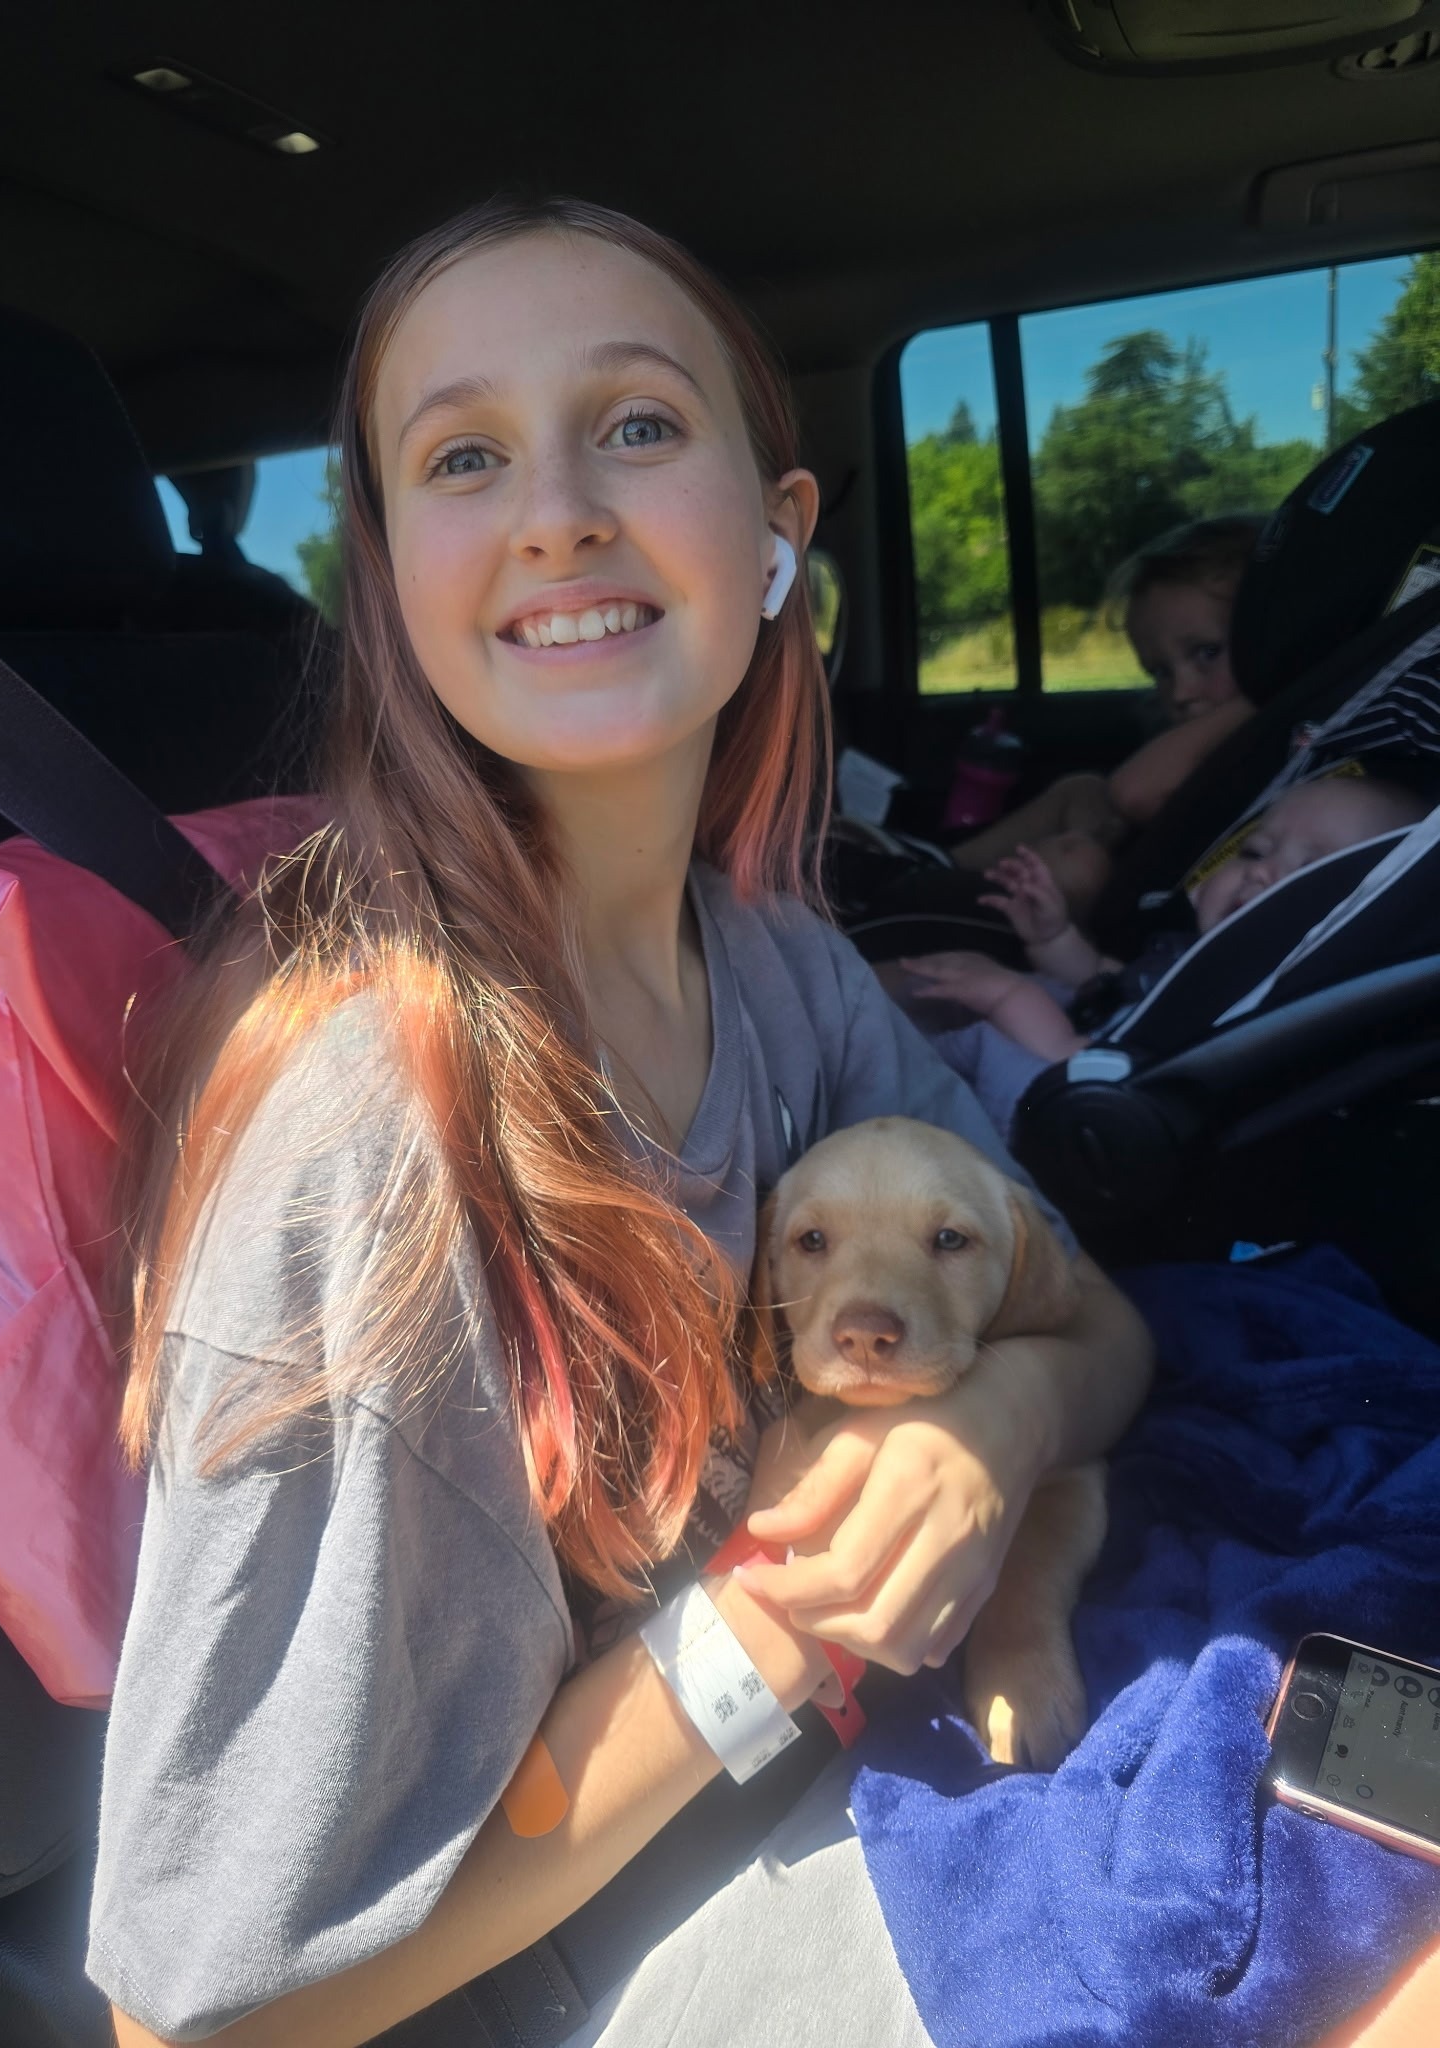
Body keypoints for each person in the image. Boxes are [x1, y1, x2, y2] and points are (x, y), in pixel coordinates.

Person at [88, 197, 1152, 2048]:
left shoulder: (783, 965)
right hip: (591, 1951)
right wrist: (779, 1624)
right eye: (464, 457)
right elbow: (194, 2016)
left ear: (780, 535)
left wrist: (992, 1424)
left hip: (852, 1779)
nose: (558, 512)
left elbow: (1100, 1323)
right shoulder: (374, 1134)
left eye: (639, 425)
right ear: (388, 575)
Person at [902, 772, 1431, 1137]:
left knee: (970, 1037)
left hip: (1087, 1104)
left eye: (1310, 875)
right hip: (1079, 1049)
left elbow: (1101, 1070)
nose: (1260, 872)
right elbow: (1113, 984)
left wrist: (1009, 996)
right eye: (1254, 850)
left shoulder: (1256, 1008)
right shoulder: (1200, 960)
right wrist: (1053, 938)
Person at [946, 517, 1262, 918]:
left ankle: (942, 889)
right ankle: (938, 866)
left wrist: (1271, 692)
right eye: (1160, 672)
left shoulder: (1267, 720)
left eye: (1207, 653)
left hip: (1143, 916)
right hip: (1148, 865)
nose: (1180, 693)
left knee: (1078, 862)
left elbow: (1134, 793)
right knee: (1082, 789)